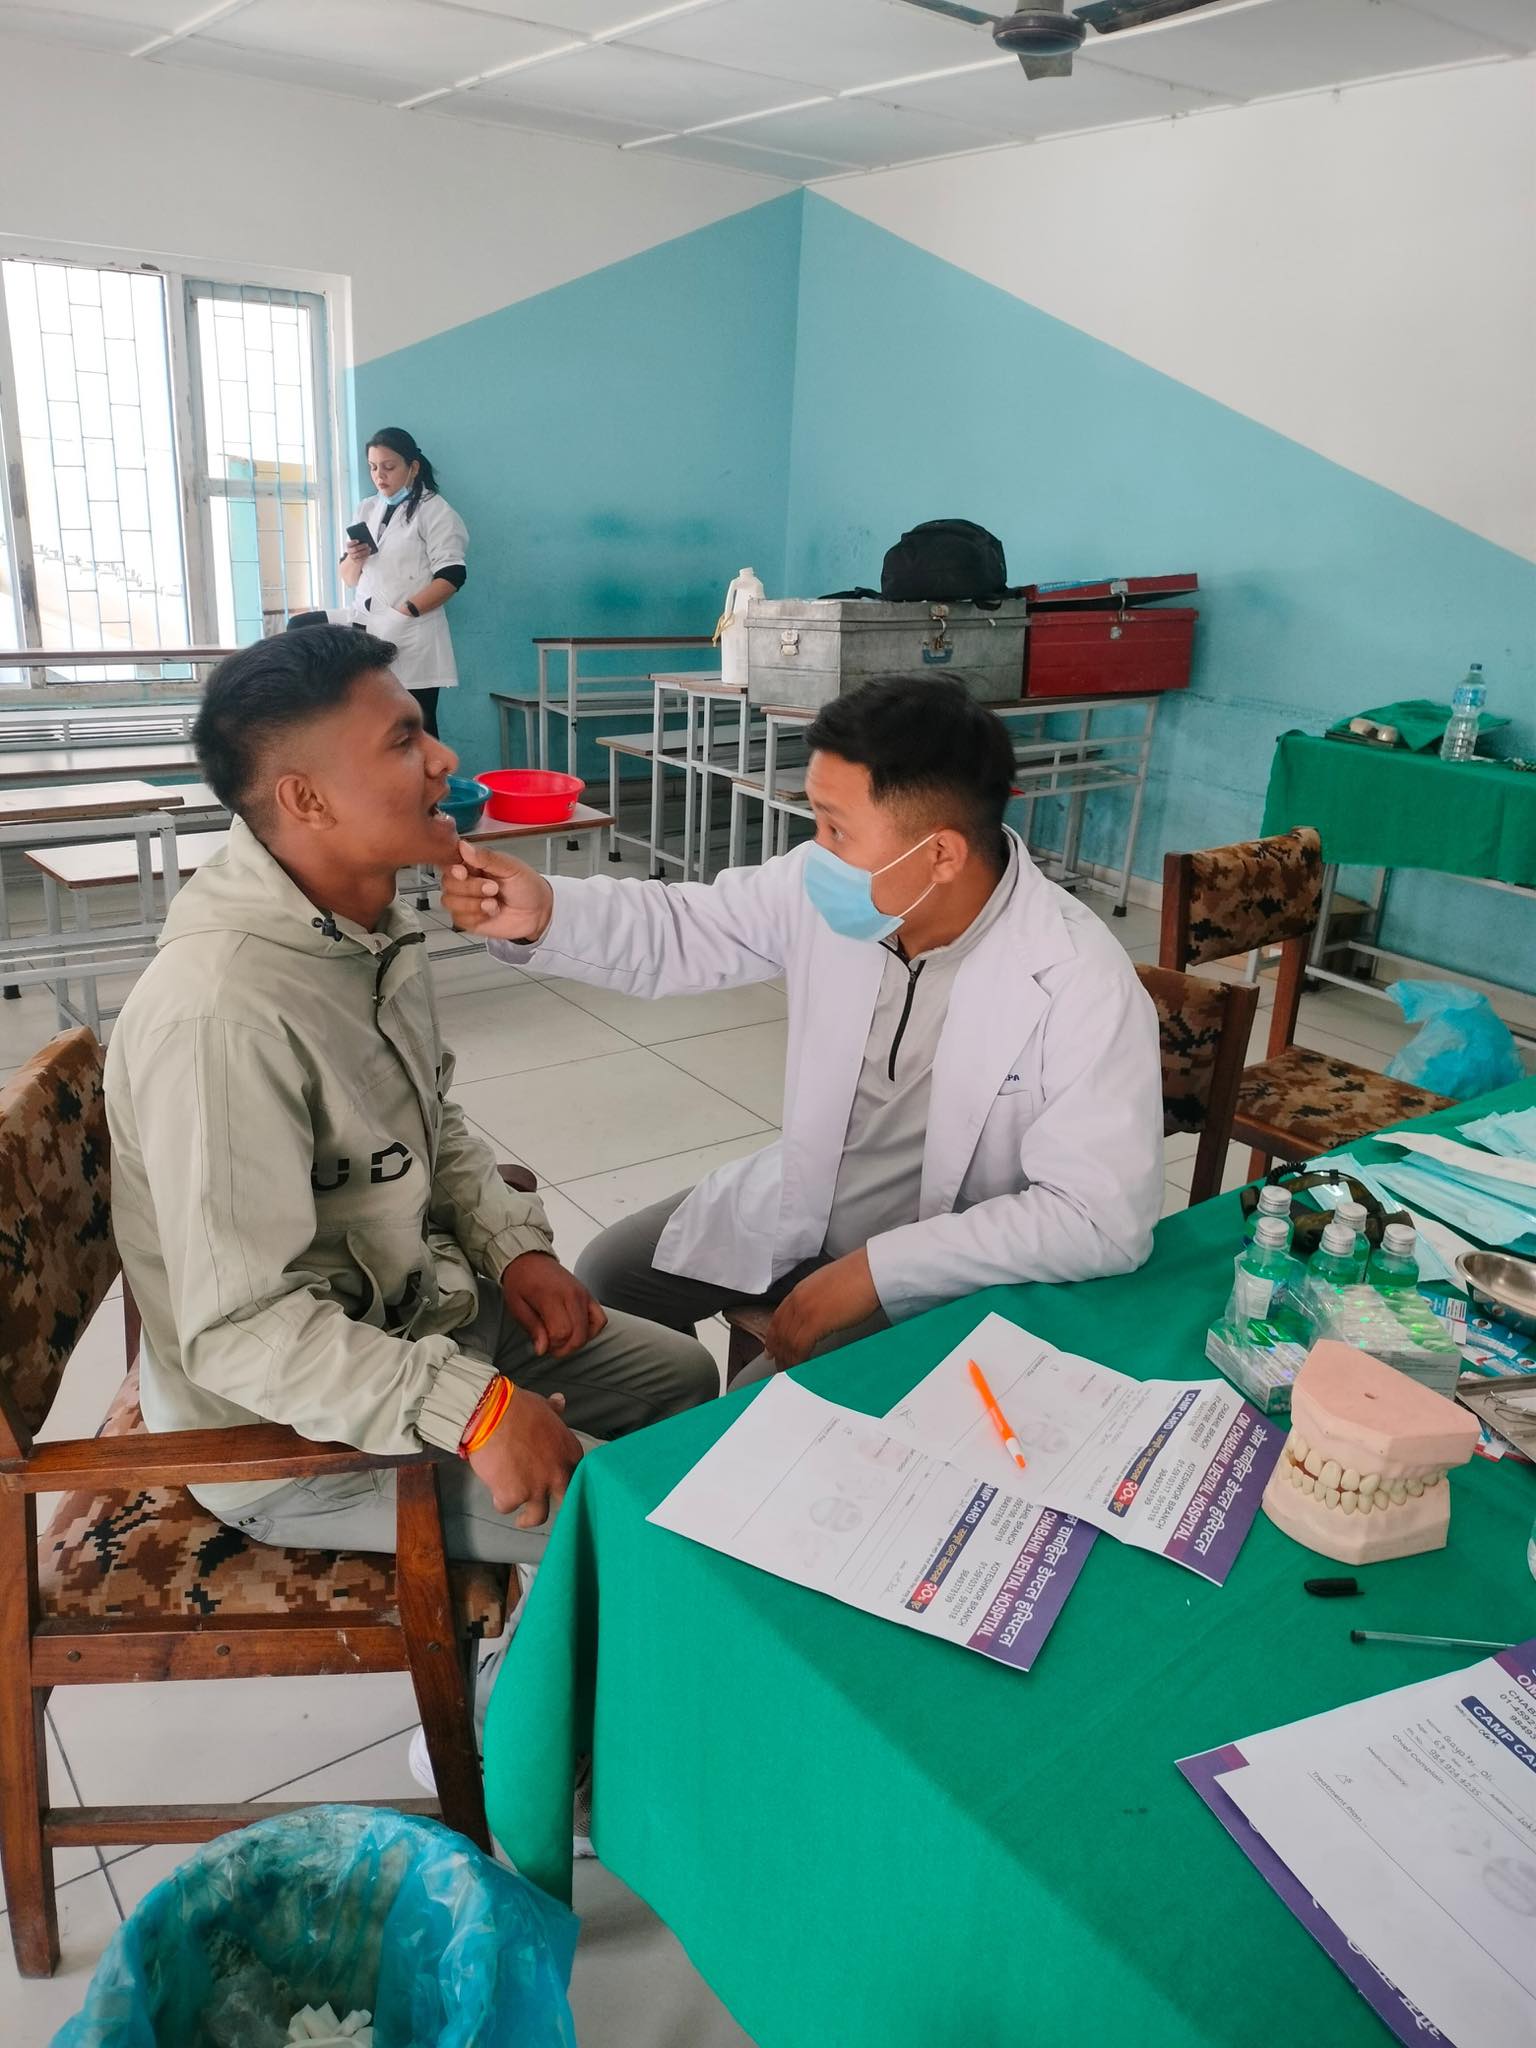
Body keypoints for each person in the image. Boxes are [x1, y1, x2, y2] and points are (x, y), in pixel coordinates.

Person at [105, 624, 717, 1575]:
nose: (444, 759)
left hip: (417, 1309)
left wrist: (512, 1248)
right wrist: (474, 1409)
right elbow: (240, 1331)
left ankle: (597, 1608)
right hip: (291, 1429)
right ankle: (570, 1641)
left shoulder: (364, 925)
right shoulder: (220, 1017)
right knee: (648, 1537)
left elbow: (429, 1120)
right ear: (305, 799)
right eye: (402, 741)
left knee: (680, 1375)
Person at [441, 674, 1164, 1372]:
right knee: (609, 1276)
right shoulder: (837, 889)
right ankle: (670, 1411)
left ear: (941, 853)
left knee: (761, 1407)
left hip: (944, 1258)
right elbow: (687, 925)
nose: (816, 850)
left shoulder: (1075, 978)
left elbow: (1098, 1219)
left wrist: (878, 1269)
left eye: (837, 828)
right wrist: (546, 912)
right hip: (809, 1199)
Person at [340, 426, 466, 739]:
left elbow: (452, 576)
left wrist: (403, 613)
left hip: (412, 636)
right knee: (377, 732)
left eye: (389, 466)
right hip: (369, 630)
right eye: (373, 467)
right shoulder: (367, 508)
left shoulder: (435, 511)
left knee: (417, 730)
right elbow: (349, 578)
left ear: (413, 467)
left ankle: (431, 776)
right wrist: (355, 558)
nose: (379, 475)